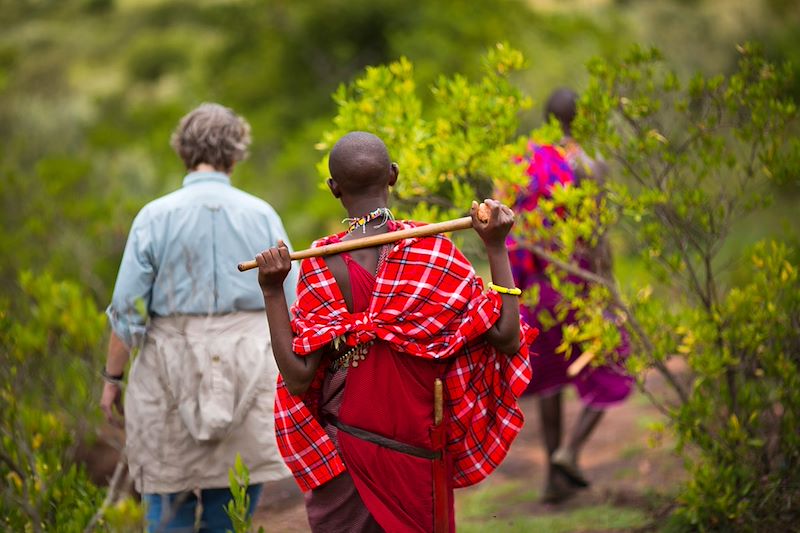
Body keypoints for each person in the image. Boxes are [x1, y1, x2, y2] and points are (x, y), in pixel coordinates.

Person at [253, 131, 536, 533]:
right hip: (418, 450)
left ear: (333, 189)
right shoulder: (433, 252)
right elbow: (508, 338)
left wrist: (271, 292)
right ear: (393, 175)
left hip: (345, 452)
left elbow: (298, 379)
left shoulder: (319, 265)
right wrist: (495, 246)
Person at [100, 103, 298, 532]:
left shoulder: (155, 216)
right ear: (235, 151)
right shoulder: (260, 214)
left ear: (183, 150)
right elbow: (293, 299)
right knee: (229, 505)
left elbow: (128, 311)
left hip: (169, 365)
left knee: (165, 503)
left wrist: (112, 380)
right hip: (249, 365)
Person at [507, 88, 634, 504]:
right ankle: (569, 451)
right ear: (582, 120)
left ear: (546, 118)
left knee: (549, 382)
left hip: (535, 285)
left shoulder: (521, 162)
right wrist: (609, 289)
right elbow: (595, 234)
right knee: (620, 358)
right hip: (577, 281)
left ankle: (552, 480)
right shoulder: (588, 164)